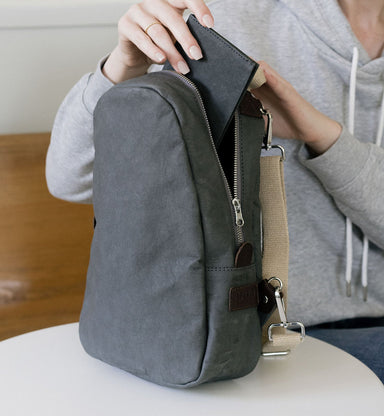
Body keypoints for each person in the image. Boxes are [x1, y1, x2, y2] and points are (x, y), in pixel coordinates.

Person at [46, 0, 384, 382]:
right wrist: (123, 68)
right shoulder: (218, 16)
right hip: (236, 336)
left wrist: (320, 134)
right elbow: (72, 178)